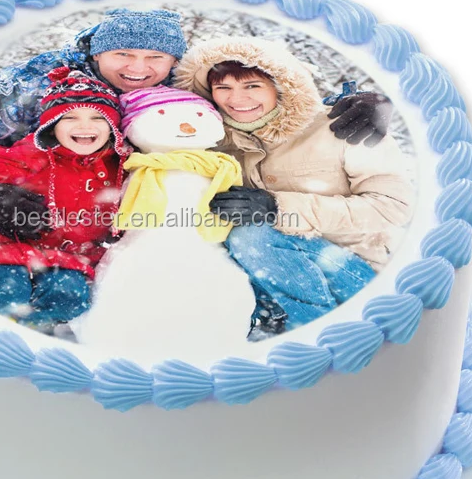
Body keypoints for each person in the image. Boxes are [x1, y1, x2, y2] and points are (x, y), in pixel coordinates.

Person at [0, 9, 392, 255]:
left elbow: (261, 100)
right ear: (97, 52)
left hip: (123, 225)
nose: (138, 69)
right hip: (21, 211)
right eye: (123, 55)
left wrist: (356, 102)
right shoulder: (36, 83)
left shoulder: (178, 87)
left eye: (155, 57)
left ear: (173, 61)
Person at [174, 37, 415, 333]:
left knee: (252, 237)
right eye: (223, 88)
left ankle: (320, 335)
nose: (237, 99)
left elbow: (392, 208)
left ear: (280, 86)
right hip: (269, 283)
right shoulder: (214, 141)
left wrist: (278, 208)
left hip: (354, 272)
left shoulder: (344, 126)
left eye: (252, 86)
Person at [0, 68, 131, 333]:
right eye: (70, 117)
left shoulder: (118, 169)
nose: (85, 126)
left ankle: (34, 341)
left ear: (112, 126)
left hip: (65, 263)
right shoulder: (23, 158)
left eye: (98, 118)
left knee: (70, 296)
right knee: (6, 289)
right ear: (51, 125)